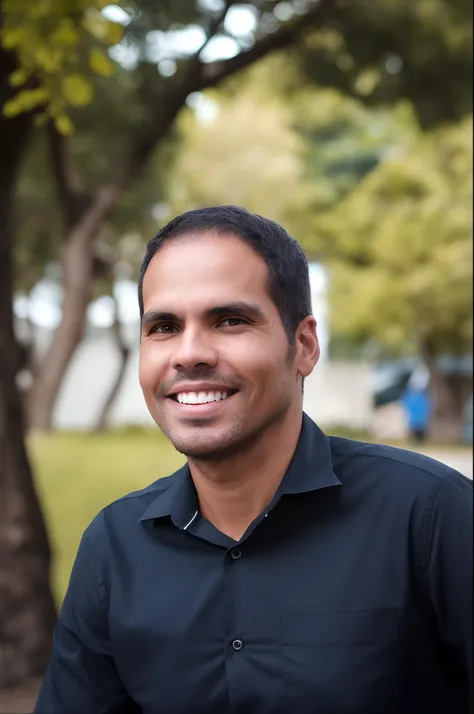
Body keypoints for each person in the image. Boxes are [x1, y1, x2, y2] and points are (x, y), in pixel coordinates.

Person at [35, 206, 473, 714]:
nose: (189, 353)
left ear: (304, 345)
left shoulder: (431, 515)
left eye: (229, 320)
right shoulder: (114, 547)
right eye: (163, 327)